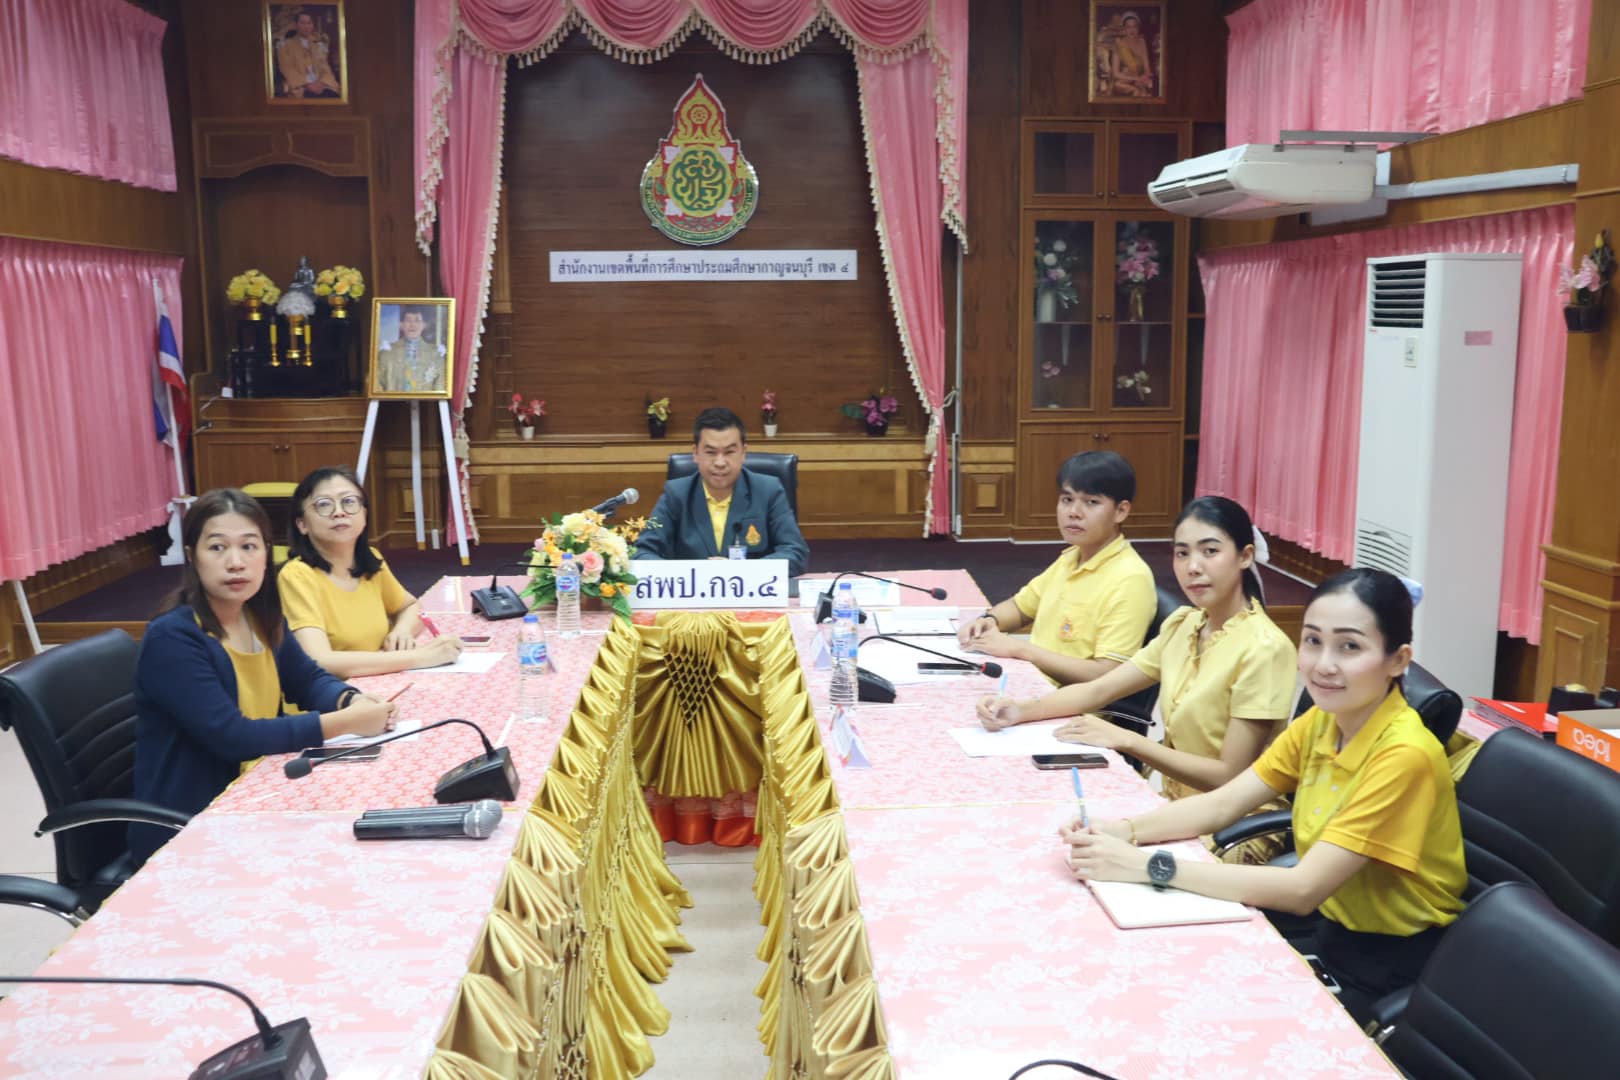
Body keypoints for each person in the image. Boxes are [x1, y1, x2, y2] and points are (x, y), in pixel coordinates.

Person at [1061, 568, 1466, 1025]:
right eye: (1312, 641)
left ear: (1398, 660)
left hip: (1389, 963)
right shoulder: (1325, 722)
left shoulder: (1403, 755)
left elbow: (1301, 889)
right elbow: (1223, 803)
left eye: (1350, 647)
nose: (1323, 664)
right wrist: (1122, 830)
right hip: (1333, 929)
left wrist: (1146, 867)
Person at [976, 496, 1296, 864]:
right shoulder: (1184, 624)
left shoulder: (1265, 648)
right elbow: (1100, 689)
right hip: (1172, 804)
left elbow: (1229, 777)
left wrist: (1128, 741)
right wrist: (1018, 711)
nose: (1193, 567)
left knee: (1095, 865)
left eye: (1210, 551)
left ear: (1244, 556)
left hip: (1235, 826)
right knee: (1049, 837)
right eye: (1181, 553)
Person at [131, 489, 395, 864]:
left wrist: (350, 699)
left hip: (260, 795)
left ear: (267, 554)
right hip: (193, 828)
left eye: (249, 547)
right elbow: (233, 737)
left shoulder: (260, 617)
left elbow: (306, 680)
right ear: (192, 557)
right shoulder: (174, 638)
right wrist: (342, 723)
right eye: (218, 548)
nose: (236, 562)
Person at [957, 450, 1155, 685]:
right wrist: (990, 620)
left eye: (1091, 502)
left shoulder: (1130, 579)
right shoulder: (1073, 557)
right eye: (1067, 500)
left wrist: (1021, 650)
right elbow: (1020, 608)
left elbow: (1106, 676)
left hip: (1071, 709)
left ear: (1121, 511)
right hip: (1027, 682)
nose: (1074, 512)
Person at [277, 466, 463, 679]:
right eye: (324, 505)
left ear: (364, 514)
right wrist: (422, 657)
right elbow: (320, 660)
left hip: (380, 685)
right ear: (302, 524)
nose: (339, 512)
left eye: (348, 501)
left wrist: (401, 631)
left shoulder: (370, 561)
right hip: (334, 702)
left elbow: (411, 606)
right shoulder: (297, 576)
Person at [636, 407, 810, 577]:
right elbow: (641, 554)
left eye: (729, 452)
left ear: (743, 453)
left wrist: (737, 572)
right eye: (711, 452)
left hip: (751, 599)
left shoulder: (768, 490)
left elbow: (795, 553)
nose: (720, 462)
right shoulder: (676, 494)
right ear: (696, 453)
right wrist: (695, 574)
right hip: (692, 600)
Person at [376, 306, 447, 394]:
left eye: (417, 320)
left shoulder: (435, 354)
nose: (412, 325)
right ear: (401, 325)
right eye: (408, 320)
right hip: (393, 405)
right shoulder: (387, 353)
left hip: (427, 405)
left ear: (424, 325)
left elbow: (440, 387)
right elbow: (376, 384)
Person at [276, 11, 341, 99]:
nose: (306, 27)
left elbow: (325, 68)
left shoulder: (318, 45)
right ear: (296, 25)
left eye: (309, 23)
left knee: (333, 97)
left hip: (321, 84)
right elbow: (287, 68)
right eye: (302, 23)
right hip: (300, 85)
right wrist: (307, 85)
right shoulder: (285, 45)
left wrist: (321, 83)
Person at [1109, 13, 1156, 97]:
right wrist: (1136, 79)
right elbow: (1115, 73)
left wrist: (1144, 77)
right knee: (1120, 85)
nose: (1132, 30)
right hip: (1124, 80)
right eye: (1128, 27)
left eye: (1134, 27)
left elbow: (1147, 67)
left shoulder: (1142, 42)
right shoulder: (1119, 44)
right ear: (1124, 29)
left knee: (1150, 85)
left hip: (1140, 78)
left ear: (1138, 28)